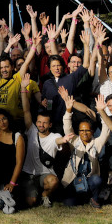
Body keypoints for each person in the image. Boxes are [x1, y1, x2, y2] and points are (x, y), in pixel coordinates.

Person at [20, 73, 74, 207]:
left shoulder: (54, 136)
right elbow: (26, 110)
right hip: (29, 174)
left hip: (46, 174)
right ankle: (35, 195)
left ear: (50, 125)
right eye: (39, 122)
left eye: (44, 123)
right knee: (30, 203)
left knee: (54, 181)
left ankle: (45, 195)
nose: (41, 125)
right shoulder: (31, 130)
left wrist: (65, 139)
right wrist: (23, 89)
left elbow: (59, 140)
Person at [60, 90, 110, 207]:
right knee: (69, 203)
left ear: (92, 132)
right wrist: (68, 110)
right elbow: (67, 126)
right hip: (74, 180)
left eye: (87, 130)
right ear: (78, 132)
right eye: (82, 130)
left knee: (96, 180)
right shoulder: (74, 140)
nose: (84, 133)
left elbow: (106, 131)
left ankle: (94, 198)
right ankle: (81, 198)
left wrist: (102, 111)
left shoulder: (96, 143)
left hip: (89, 179)